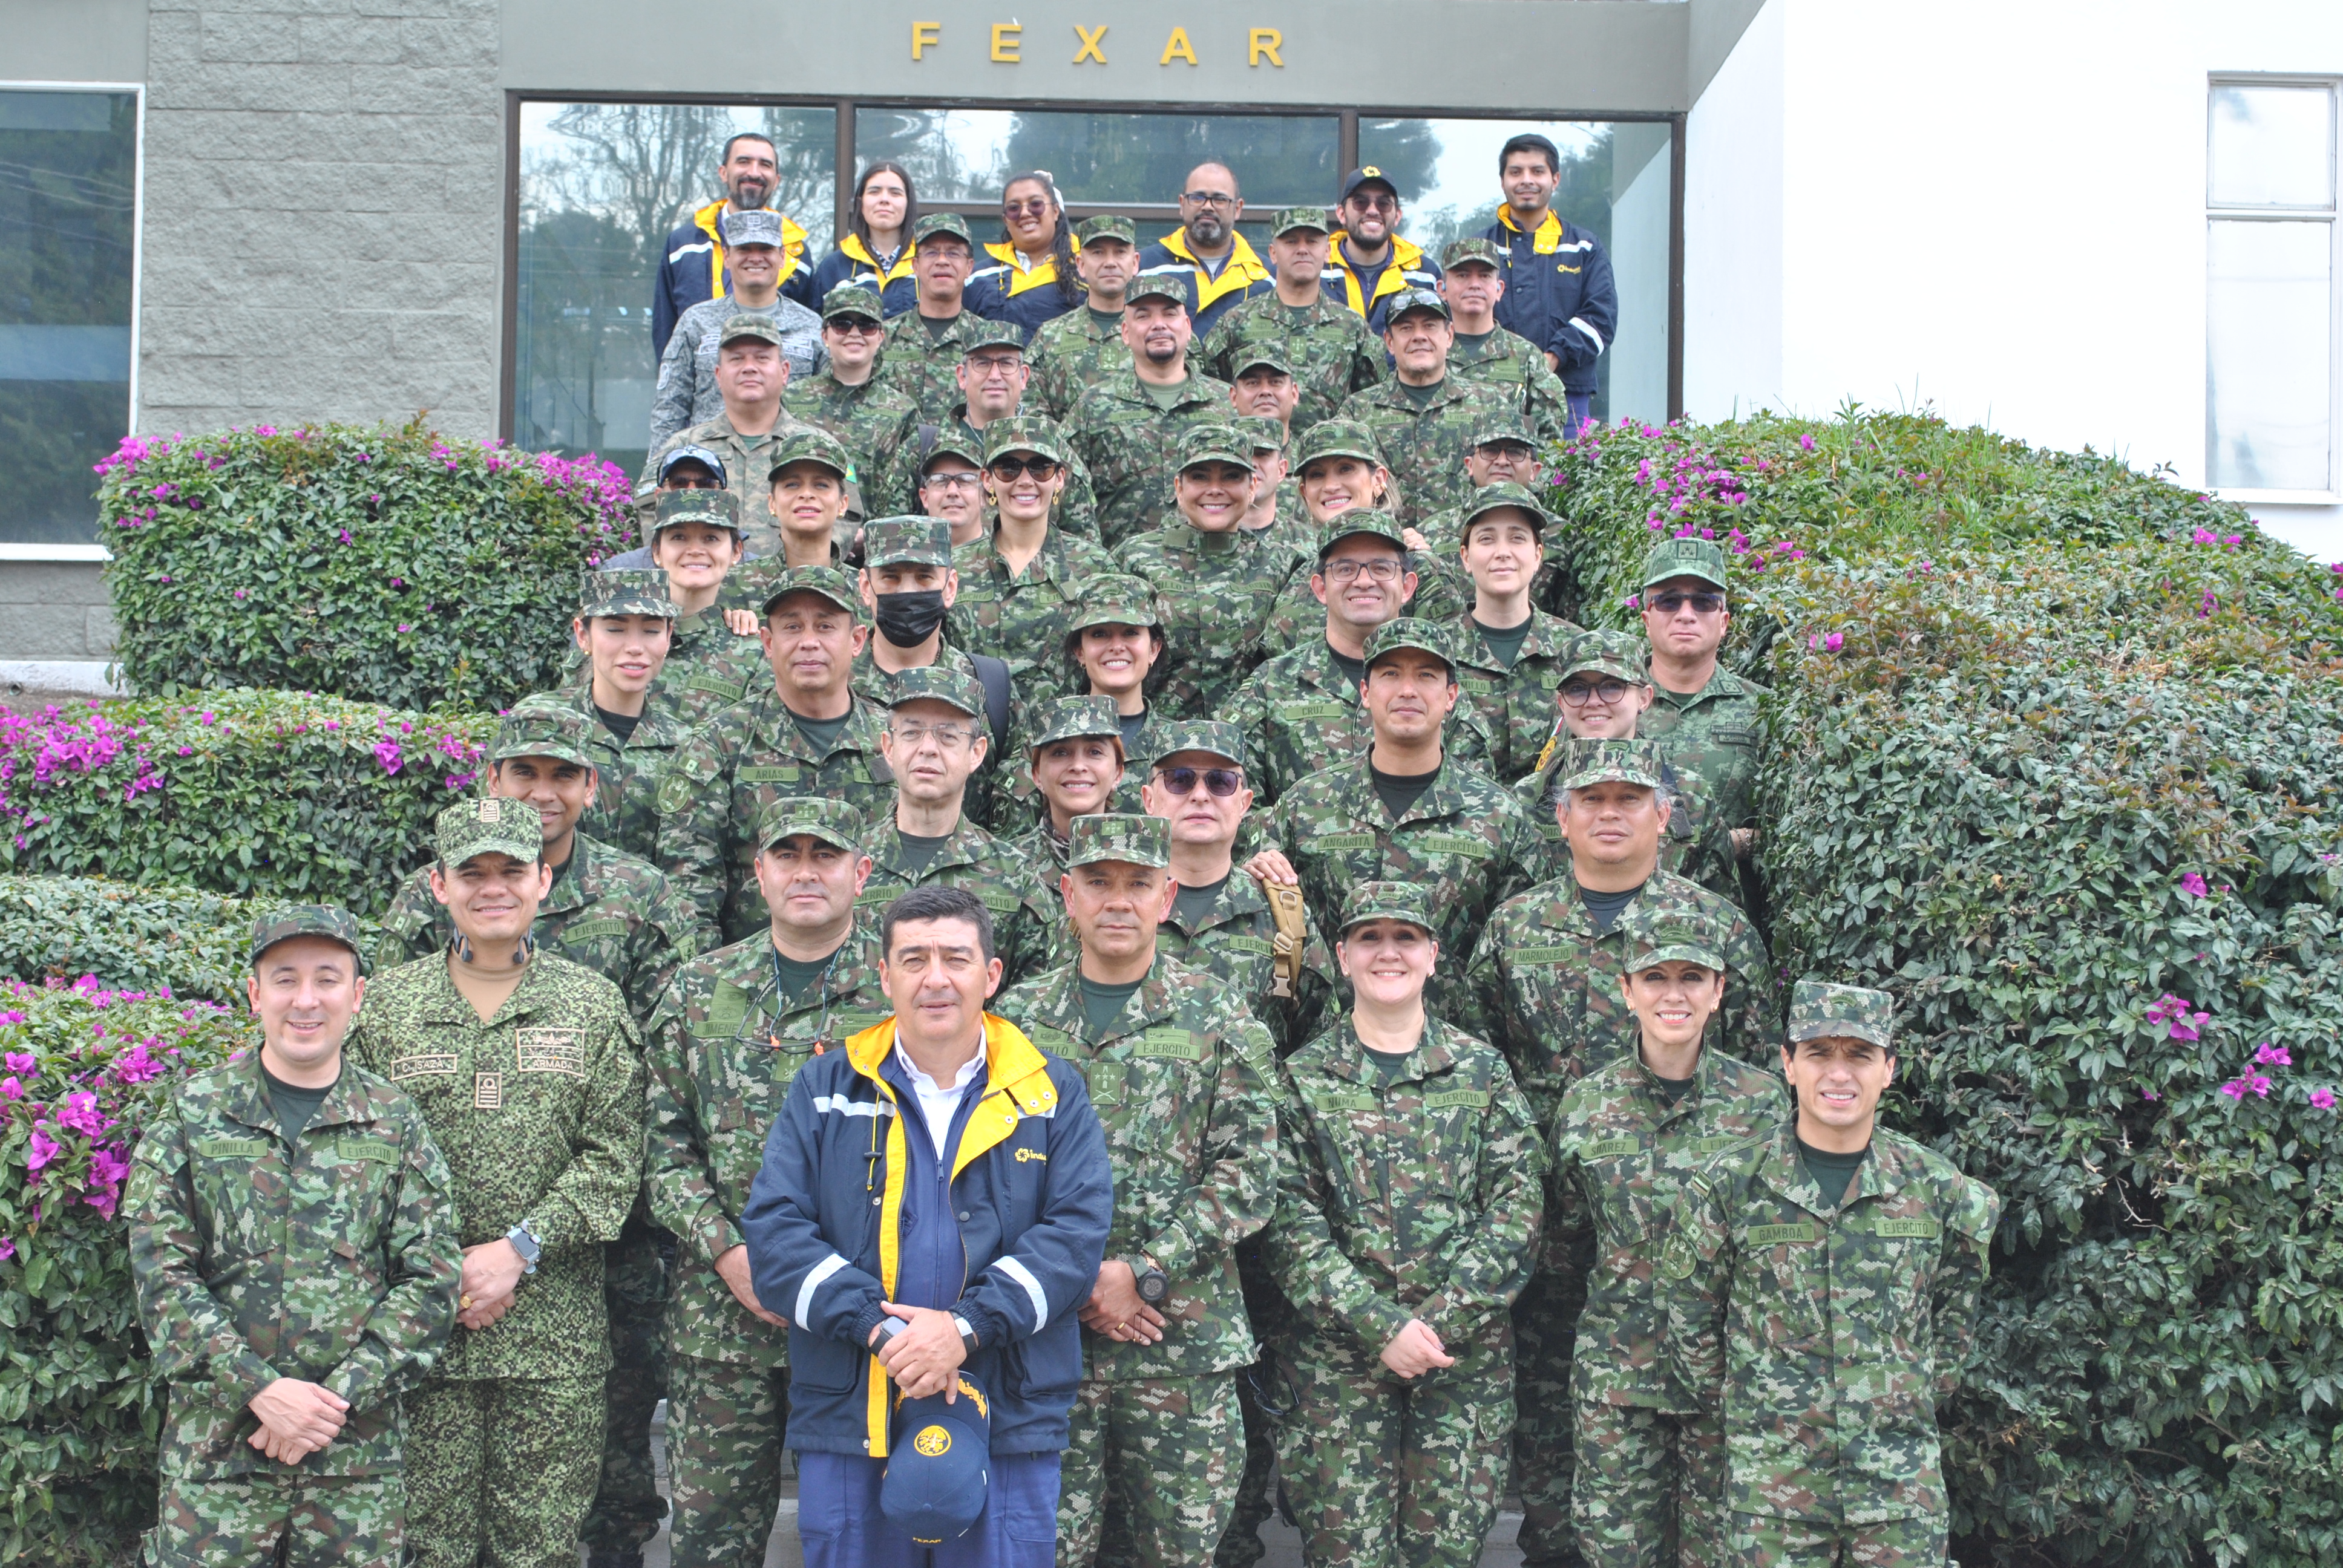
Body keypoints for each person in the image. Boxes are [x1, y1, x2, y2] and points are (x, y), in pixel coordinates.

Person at [1455, 740, 1776, 1568]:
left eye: (1629, 799)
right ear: (1560, 817)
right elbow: (1480, 1068)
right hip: (1553, 1226)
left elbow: (1754, 1068)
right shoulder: (1516, 925)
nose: (1609, 813)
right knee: (1560, 1449)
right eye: (1590, 799)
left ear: (1664, 815)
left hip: (1686, 1250)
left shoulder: (1715, 929)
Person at [739, 884, 1115, 1567]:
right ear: (884, 976)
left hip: (1006, 1410)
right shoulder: (826, 1087)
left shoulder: (1051, 1091)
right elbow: (774, 1232)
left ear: (991, 975)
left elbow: (1075, 1235)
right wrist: (882, 1333)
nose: (935, 978)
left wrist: (965, 1330)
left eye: (955, 958)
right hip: (854, 1407)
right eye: (913, 959)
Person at [345, 797, 646, 1568]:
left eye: (511, 870)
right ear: (438, 886)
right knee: (425, 1550)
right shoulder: (385, 1007)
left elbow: (615, 1157)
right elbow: (358, 1159)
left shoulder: (590, 1004)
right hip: (421, 1336)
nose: (492, 888)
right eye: (470, 872)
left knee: (539, 1550)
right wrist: (449, 1272)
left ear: (543, 880)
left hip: (554, 1341)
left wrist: (518, 1248)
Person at [126, 906, 460, 1568]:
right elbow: (160, 1271)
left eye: (327, 979)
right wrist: (259, 1388)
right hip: (218, 1458)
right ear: (255, 994)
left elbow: (432, 1281)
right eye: (284, 979)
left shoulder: (394, 1121)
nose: (305, 1000)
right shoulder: (194, 1114)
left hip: (353, 1465)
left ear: (357, 995)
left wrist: (330, 1404)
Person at [991, 814, 1280, 1568]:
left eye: (1137, 884)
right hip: (1042, 1345)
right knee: (1040, 1552)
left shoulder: (1218, 1014)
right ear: (1067, 894)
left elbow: (1251, 1172)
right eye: (1097, 882)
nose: (1117, 901)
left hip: (1179, 1345)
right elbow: (977, 1174)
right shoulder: (1013, 1023)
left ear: (1167, 896)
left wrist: (1140, 1272)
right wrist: (1069, 1279)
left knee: (1178, 1555)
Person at [1663, 981, 2002, 1568]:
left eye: (1859, 1055)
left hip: (1897, 1492)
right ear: (1788, 1065)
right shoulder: (1731, 1186)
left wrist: (1897, 1402)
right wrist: (1756, 1412)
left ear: (1888, 1069)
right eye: (1819, 1053)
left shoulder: (1938, 1192)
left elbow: (1950, 1327)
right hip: (1773, 1494)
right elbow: (1690, 1320)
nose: (1837, 1074)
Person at [643, 796, 893, 1568]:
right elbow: (658, 1144)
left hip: (864, 1318)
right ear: (758, 873)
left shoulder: (902, 991)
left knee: (864, 1538)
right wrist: (726, 1252)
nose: (806, 873)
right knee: (710, 1539)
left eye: (826, 857)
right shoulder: (697, 990)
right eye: (788, 856)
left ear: (861, 872)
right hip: (723, 1321)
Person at [1265, 880, 1541, 1568]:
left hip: (1460, 1367)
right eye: (1369, 938)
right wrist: (1379, 1325)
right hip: (1337, 1369)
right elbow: (1288, 1223)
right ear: (1342, 955)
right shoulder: (1301, 1079)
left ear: (1433, 955)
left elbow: (1516, 1211)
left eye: (1405, 938)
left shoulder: (1481, 1072)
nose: (1387, 953)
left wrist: (1438, 1322)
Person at [1548, 928, 1783, 1568]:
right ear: (1626, 991)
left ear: (1718, 992)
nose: (1672, 995)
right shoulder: (1584, 1106)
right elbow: (1564, 1237)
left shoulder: (1765, 1105)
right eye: (1654, 978)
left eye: (1691, 979)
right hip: (1617, 1382)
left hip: (1728, 1383)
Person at [1256, 618, 1533, 1023]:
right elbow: (1265, 927)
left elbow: (1516, 953)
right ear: (1366, 692)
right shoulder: (1305, 806)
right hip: (1322, 1058)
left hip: (1454, 1058)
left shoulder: (1500, 817)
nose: (1408, 690)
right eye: (1390, 674)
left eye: (1426, 676)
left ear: (1451, 695)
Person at [375, 696, 699, 1019]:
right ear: (494, 782)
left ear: (590, 788)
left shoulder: (641, 892)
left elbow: (665, 1034)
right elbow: (392, 1016)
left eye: (563, 775)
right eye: (525, 773)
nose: (543, 795)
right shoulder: (432, 892)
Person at [658, 565, 896, 948]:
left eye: (825, 626)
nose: (809, 642)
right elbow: (690, 886)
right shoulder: (719, 745)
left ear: (856, 640)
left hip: (879, 979)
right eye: (792, 627)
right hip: (756, 980)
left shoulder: (897, 739)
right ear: (767, 642)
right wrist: (712, 984)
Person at [1222, 498, 1462, 806]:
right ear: (1320, 588)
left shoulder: (1437, 685)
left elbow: (1474, 799)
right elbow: (1227, 794)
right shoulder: (1270, 686)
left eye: (1381, 568)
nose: (1364, 581)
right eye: (1345, 569)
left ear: (1408, 586)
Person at [1139, 719, 1335, 1054]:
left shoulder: (1282, 917)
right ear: (1149, 799)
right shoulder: (1114, 908)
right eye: (1179, 780)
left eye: (1220, 781)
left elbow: (1319, 1046)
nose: (1200, 795)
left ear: (1244, 803)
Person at [857, 667, 1059, 988]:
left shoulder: (1014, 875)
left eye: (948, 735)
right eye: (911, 732)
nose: (928, 748)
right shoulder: (847, 862)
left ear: (976, 753)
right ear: (889, 747)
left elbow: (1035, 995)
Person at [1115, 423, 1311, 720]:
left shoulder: (1283, 565)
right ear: (1179, 488)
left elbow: (1290, 668)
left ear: (1252, 488)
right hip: (1157, 744)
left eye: (1231, 477)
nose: (1215, 489)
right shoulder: (1134, 559)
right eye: (1200, 477)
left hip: (1249, 744)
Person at [1513, 636, 1731, 898]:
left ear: (1644, 698)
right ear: (1561, 703)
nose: (1593, 701)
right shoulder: (1525, 801)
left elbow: (1723, 907)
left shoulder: (1691, 796)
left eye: (1612, 686)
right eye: (1577, 689)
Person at [943, 417, 1118, 702]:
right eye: (1009, 468)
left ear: (1059, 478)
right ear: (988, 480)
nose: (1025, 481)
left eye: (1040, 468)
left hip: (1065, 738)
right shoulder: (954, 567)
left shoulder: (1095, 567)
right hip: (972, 735)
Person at [882, 321, 1104, 541]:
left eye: (1006, 363)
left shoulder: (1052, 450)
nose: (995, 375)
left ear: (1024, 376)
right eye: (983, 363)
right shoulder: (924, 448)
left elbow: (1084, 544)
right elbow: (891, 538)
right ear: (962, 376)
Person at [1063, 272, 1237, 549]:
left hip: (1213, 576)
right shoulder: (1093, 406)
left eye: (1169, 314)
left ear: (1188, 326)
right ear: (1124, 332)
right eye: (1143, 316)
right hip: (1122, 576)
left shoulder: (1227, 403)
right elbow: (1068, 496)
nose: (1159, 325)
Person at [1635, 537, 1767, 880]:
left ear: (1723, 622)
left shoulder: (1763, 710)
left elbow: (1781, 829)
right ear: (1647, 619)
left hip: (1726, 916)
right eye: (1669, 601)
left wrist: (1736, 844)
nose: (1686, 615)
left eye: (1704, 602)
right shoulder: (1609, 702)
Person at [1334, 288, 1513, 529]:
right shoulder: (1357, 411)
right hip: (1383, 554)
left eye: (1429, 326)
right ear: (1389, 341)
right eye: (1406, 328)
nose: (1419, 336)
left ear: (1449, 335)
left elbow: (1513, 484)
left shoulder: (1490, 404)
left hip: (1464, 553)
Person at [1198, 206, 1385, 434]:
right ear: (1273, 253)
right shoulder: (1237, 322)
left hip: (1327, 462)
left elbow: (1373, 402)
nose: (1302, 250)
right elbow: (1208, 393)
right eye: (1291, 242)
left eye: (1312, 242)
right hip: (1256, 458)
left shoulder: (1352, 327)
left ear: (1327, 252)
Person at [1440, 483, 1581, 785]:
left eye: (1517, 538)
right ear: (1465, 556)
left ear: (1538, 554)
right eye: (1487, 539)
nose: (1502, 552)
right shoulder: (1436, 650)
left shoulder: (1576, 649)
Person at [640, 315, 815, 557]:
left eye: (762, 358)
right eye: (737, 359)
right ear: (718, 375)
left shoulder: (815, 446)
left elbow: (846, 515)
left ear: (785, 372)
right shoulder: (683, 447)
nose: (749, 367)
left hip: (792, 588)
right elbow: (650, 509)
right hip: (704, 585)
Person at [1480, 133, 1617, 436]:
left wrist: (1551, 359)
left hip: (1567, 397)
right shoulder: (1480, 247)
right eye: (1516, 172)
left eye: (1537, 171)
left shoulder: (1584, 246)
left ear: (1555, 179)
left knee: (1565, 481)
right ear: (1502, 181)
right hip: (1488, 397)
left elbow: (1602, 318)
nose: (1526, 180)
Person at [652, 209, 827, 449]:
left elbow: (830, 409)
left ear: (783, 256)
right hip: (709, 471)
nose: (755, 258)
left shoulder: (811, 326)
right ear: (726, 256)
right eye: (744, 249)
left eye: (765, 249)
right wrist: (661, 472)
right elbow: (669, 408)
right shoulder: (696, 322)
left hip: (789, 471)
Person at [851, 515, 1011, 753]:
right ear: (865, 587)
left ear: (951, 588)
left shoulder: (989, 686)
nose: (907, 591)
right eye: (890, 577)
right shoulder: (833, 684)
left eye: (924, 577)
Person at [562, 568, 688, 864]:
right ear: (583, 635)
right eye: (616, 629)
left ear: (669, 636)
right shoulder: (538, 727)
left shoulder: (688, 746)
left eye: (651, 630)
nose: (634, 648)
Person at [652, 131, 813, 361]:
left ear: (777, 180)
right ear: (723, 173)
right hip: (699, 391)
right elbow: (664, 329)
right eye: (744, 162)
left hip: (776, 393)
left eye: (765, 165)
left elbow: (809, 337)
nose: (754, 173)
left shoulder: (796, 251)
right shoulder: (683, 246)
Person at [782, 284, 922, 519]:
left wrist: (869, 535)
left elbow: (905, 489)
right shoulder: (791, 399)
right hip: (801, 536)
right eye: (842, 324)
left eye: (866, 326)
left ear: (880, 337)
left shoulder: (902, 411)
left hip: (871, 547)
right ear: (825, 336)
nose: (854, 333)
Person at [1404, 410, 1552, 626]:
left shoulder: (1562, 535)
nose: (1502, 461)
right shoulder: (1430, 532)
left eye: (1516, 452)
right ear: (1469, 465)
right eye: (1490, 451)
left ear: (1535, 470)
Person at [634, 491, 768, 730]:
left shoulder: (755, 651)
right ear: (657, 552)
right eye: (678, 537)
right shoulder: (619, 632)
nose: (695, 549)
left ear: (736, 552)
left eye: (711, 538)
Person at [1437, 237, 1573, 448]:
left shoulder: (1527, 357)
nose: (1474, 285)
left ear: (1499, 289)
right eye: (1462, 276)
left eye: (1484, 276)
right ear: (1442, 289)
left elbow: (1550, 442)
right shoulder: (1427, 352)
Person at [1136, 161, 1273, 336]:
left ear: (1237, 209)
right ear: (1182, 204)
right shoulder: (1145, 268)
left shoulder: (1268, 276)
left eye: (1220, 199)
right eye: (1197, 198)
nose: (1207, 206)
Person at [1026, 214, 1141, 420]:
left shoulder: (1160, 334)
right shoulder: (1050, 337)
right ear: (1080, 265)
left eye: (1120, 252)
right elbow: (1032, 413)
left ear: (1135, 263)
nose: (1110, 263)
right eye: (1098, 253)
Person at [870, 213, 986, 414]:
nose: (942, 261)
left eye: (953, 253)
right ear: (915, 266)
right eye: (932, 253)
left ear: (969, 267)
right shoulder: (882, 338)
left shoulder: (987, 338)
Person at [1006, 696, 1127, 875]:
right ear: (1037, 776)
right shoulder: (1006, 865)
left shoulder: (1147, 857)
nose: (1078, 766)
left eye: (1095, 752)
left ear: (1118, 773)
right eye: (1060, 753)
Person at [1322, 167, 1443, 336]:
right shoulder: (1318, 268)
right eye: (1361, 202)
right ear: (1341, 214)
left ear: (1397, 216)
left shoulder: (1425, 274)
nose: (1372, 210)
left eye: (1384, 204)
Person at [966, 171, 1082, 341]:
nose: (1025, 213)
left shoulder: (1085, 267)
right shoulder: (977, 278)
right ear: (1006, 220)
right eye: (1014, 208)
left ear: (1056, 211)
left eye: (1036, 204)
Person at [810, 161, 920, 316]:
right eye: (874, 192)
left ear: (908, 203)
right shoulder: (834, 267)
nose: (884, 199)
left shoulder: (928, 263)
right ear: (861, 203)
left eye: (895, 193)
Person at [765, 426, 858, 569]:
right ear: (772, 503)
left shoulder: (862, 588)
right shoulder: (737, 586)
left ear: (843, 504)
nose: (807, 494)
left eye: (821, 485)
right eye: (792, 485)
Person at [911, 429, 990, 546]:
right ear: (925, 497)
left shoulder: (1007, 557)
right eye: (941, 480)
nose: (952, 492)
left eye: (965, 479)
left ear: (984, 495)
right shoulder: (907, 559)